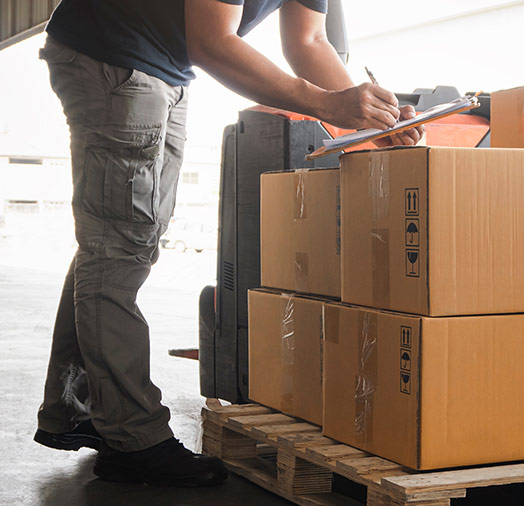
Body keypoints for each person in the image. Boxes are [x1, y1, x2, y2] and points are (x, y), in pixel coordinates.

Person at [32, 0, 423, 488]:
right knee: (118, 247)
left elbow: (309, 40)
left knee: (116, 241)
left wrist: (370, 118)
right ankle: (132, 438)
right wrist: (328, 105)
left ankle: (76, 405)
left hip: (162, 65)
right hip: (113, 53)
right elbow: (212, 41)